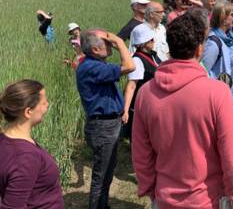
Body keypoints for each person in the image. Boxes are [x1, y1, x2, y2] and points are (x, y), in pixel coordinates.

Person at [132, 9, 233, 208]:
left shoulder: (146, 93)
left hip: (164, 198)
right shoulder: (218, 93)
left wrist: (149, 188)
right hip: (207, 200)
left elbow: (141, 152)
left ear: (170, 47)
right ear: (200, 49)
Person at [76, 29, 135, 209]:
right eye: (107, 43)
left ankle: (103, 205)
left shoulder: (94, 63)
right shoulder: (92, 67)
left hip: (107, 123)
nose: (111, 45)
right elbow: (130, 66)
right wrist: (119, 42)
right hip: (103, 126)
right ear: (95, 49)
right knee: (101, 175)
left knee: (107, 170)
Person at [0, 79, 64, 208]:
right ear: (28, 112)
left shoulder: (5, 139)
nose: (47, 105)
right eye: (43, 102)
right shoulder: (26, 157)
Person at [202, 1, 233, 104]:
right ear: (224, 19)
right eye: (232, 15)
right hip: (221, 97)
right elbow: (204, 71)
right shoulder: (213, 43)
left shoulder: (230, 36)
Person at [122, 24, 161, 140]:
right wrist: (125, 110)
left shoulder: (152, 55)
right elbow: (131, 86)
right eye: (151, 39)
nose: (154, 41)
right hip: (141, 105)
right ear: (144, 43)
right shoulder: (137, 60)